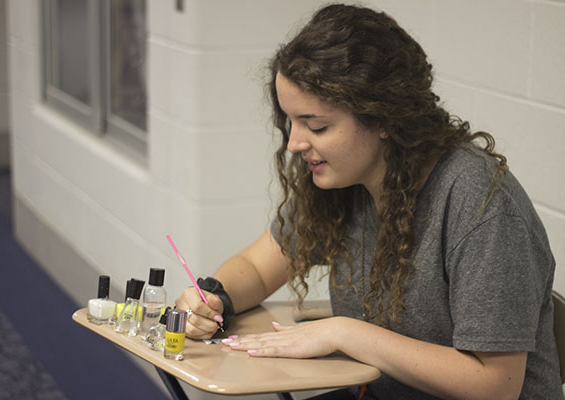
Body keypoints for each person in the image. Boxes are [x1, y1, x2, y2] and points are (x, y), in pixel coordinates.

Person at [175, 3, 563, 399]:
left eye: (317, 125)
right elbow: (257, 268)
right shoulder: (342, 182)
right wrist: (214, 298)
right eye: (290, 122)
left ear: (383, 119)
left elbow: (495, 386)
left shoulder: (478, 202)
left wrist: (345, 332)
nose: (293, 144)